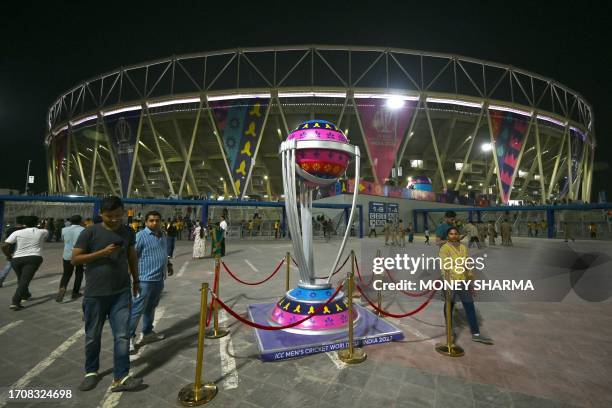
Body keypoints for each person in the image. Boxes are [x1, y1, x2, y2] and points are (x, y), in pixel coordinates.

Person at [71, 196, 143, 392]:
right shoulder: (90, 232)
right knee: (93, 336)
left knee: (122, 336)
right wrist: (101, 253)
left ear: (123, 213)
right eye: (109, 216)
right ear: (100, 214)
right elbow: (75, 259)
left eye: (118, 215)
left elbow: (131, 257)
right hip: (95, 294)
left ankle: (121, 376)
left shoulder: (128, 232)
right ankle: (91, 372)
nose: (114, 219)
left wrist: (136, 280)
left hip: (121, 292)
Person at [439, 227, 493, 345]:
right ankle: (450, 333)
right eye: (451, 234)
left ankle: (476, 334)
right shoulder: (445, 248)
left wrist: (471, 282)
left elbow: (468, 265)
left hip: (463, 282)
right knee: (449, 308)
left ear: (458, 235)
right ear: (448, 236)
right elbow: (445, 267)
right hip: (451, 283)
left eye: (455, 233)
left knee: (470, 307)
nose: (453, 236)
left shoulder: (463, 248)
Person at [129, 211, 170, 354]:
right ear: (146, 222)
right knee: (137, 309)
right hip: (144, 280)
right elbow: (132, 257)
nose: (154, 223)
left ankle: (147, 333)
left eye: (157, 220)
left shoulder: (162, 235)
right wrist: (135, 279)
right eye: (151, 220)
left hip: (159, 279)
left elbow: (163, 252)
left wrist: (168, 265)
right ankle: (128, 338)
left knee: (151, 306)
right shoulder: (141, 236)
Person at [1, 216, 47, 309]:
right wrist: (44, 224)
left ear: (24, 223)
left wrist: (9, 255)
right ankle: (15, 302)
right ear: (36, 223)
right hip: (33, 258)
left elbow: (4, 246)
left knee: (21, 279)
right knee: (25, 280)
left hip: (17, 259)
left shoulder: (17, 232)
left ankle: (26, 294)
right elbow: (45, 229)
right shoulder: (42, 232)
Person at [56, 215, 85, 302]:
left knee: (66, 274)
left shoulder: (64, 229)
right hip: (78, 254)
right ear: (80, 221)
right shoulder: (83, 229)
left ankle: (62, 288)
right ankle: (75, 292)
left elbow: (63, 239)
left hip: (67, 254)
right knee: (79, 273)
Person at [0, 217, 25, 287]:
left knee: (8, 266)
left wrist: (8, 253)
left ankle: (1, 278)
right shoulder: (24, 230)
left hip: (11, 249)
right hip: (21, 250)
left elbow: (6, 241)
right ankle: (21, 283)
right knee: (22, 267)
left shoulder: (10, 230)